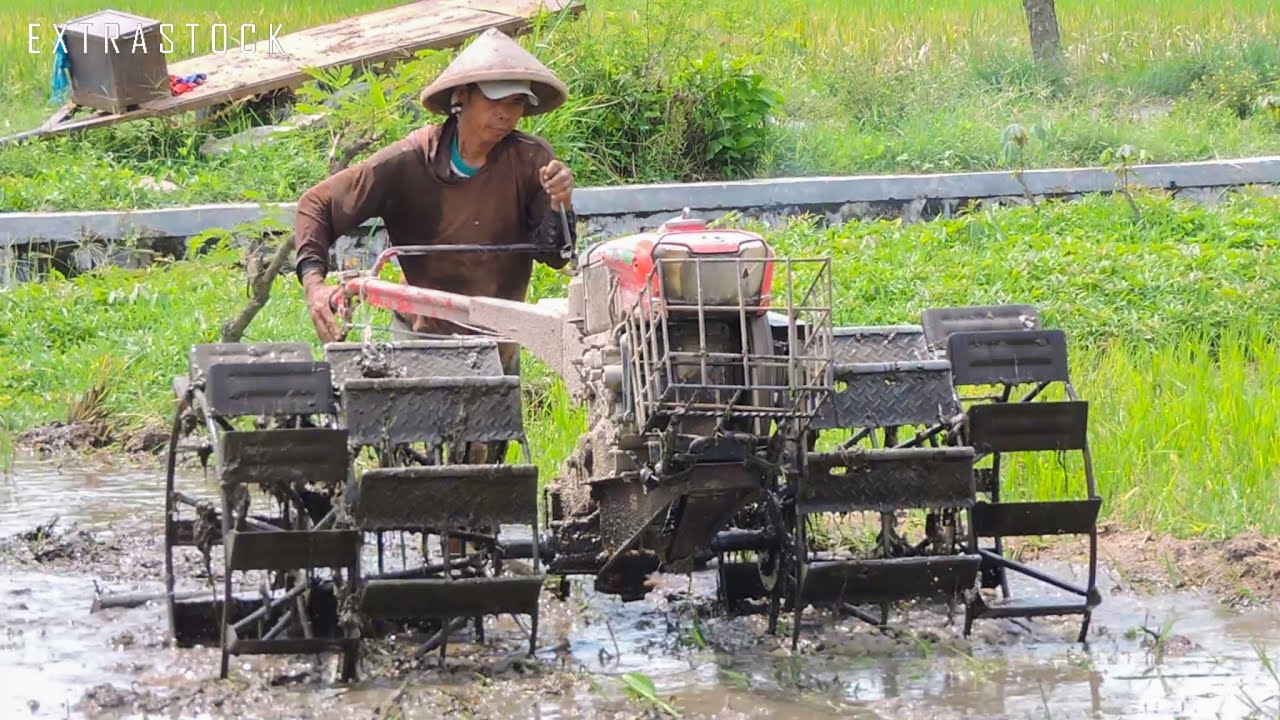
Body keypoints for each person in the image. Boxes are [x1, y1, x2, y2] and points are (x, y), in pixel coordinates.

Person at [292, 27, 577, 378]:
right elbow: (316, 204)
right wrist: (315, 287)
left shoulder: (531, 160)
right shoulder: (410, 160)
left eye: (516, 102)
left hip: (497, 344)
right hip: (420, 340)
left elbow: (553, 255)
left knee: (489, 431)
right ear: (462, 97)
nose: (505, 113)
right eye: (494, 100)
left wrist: (559, 204)